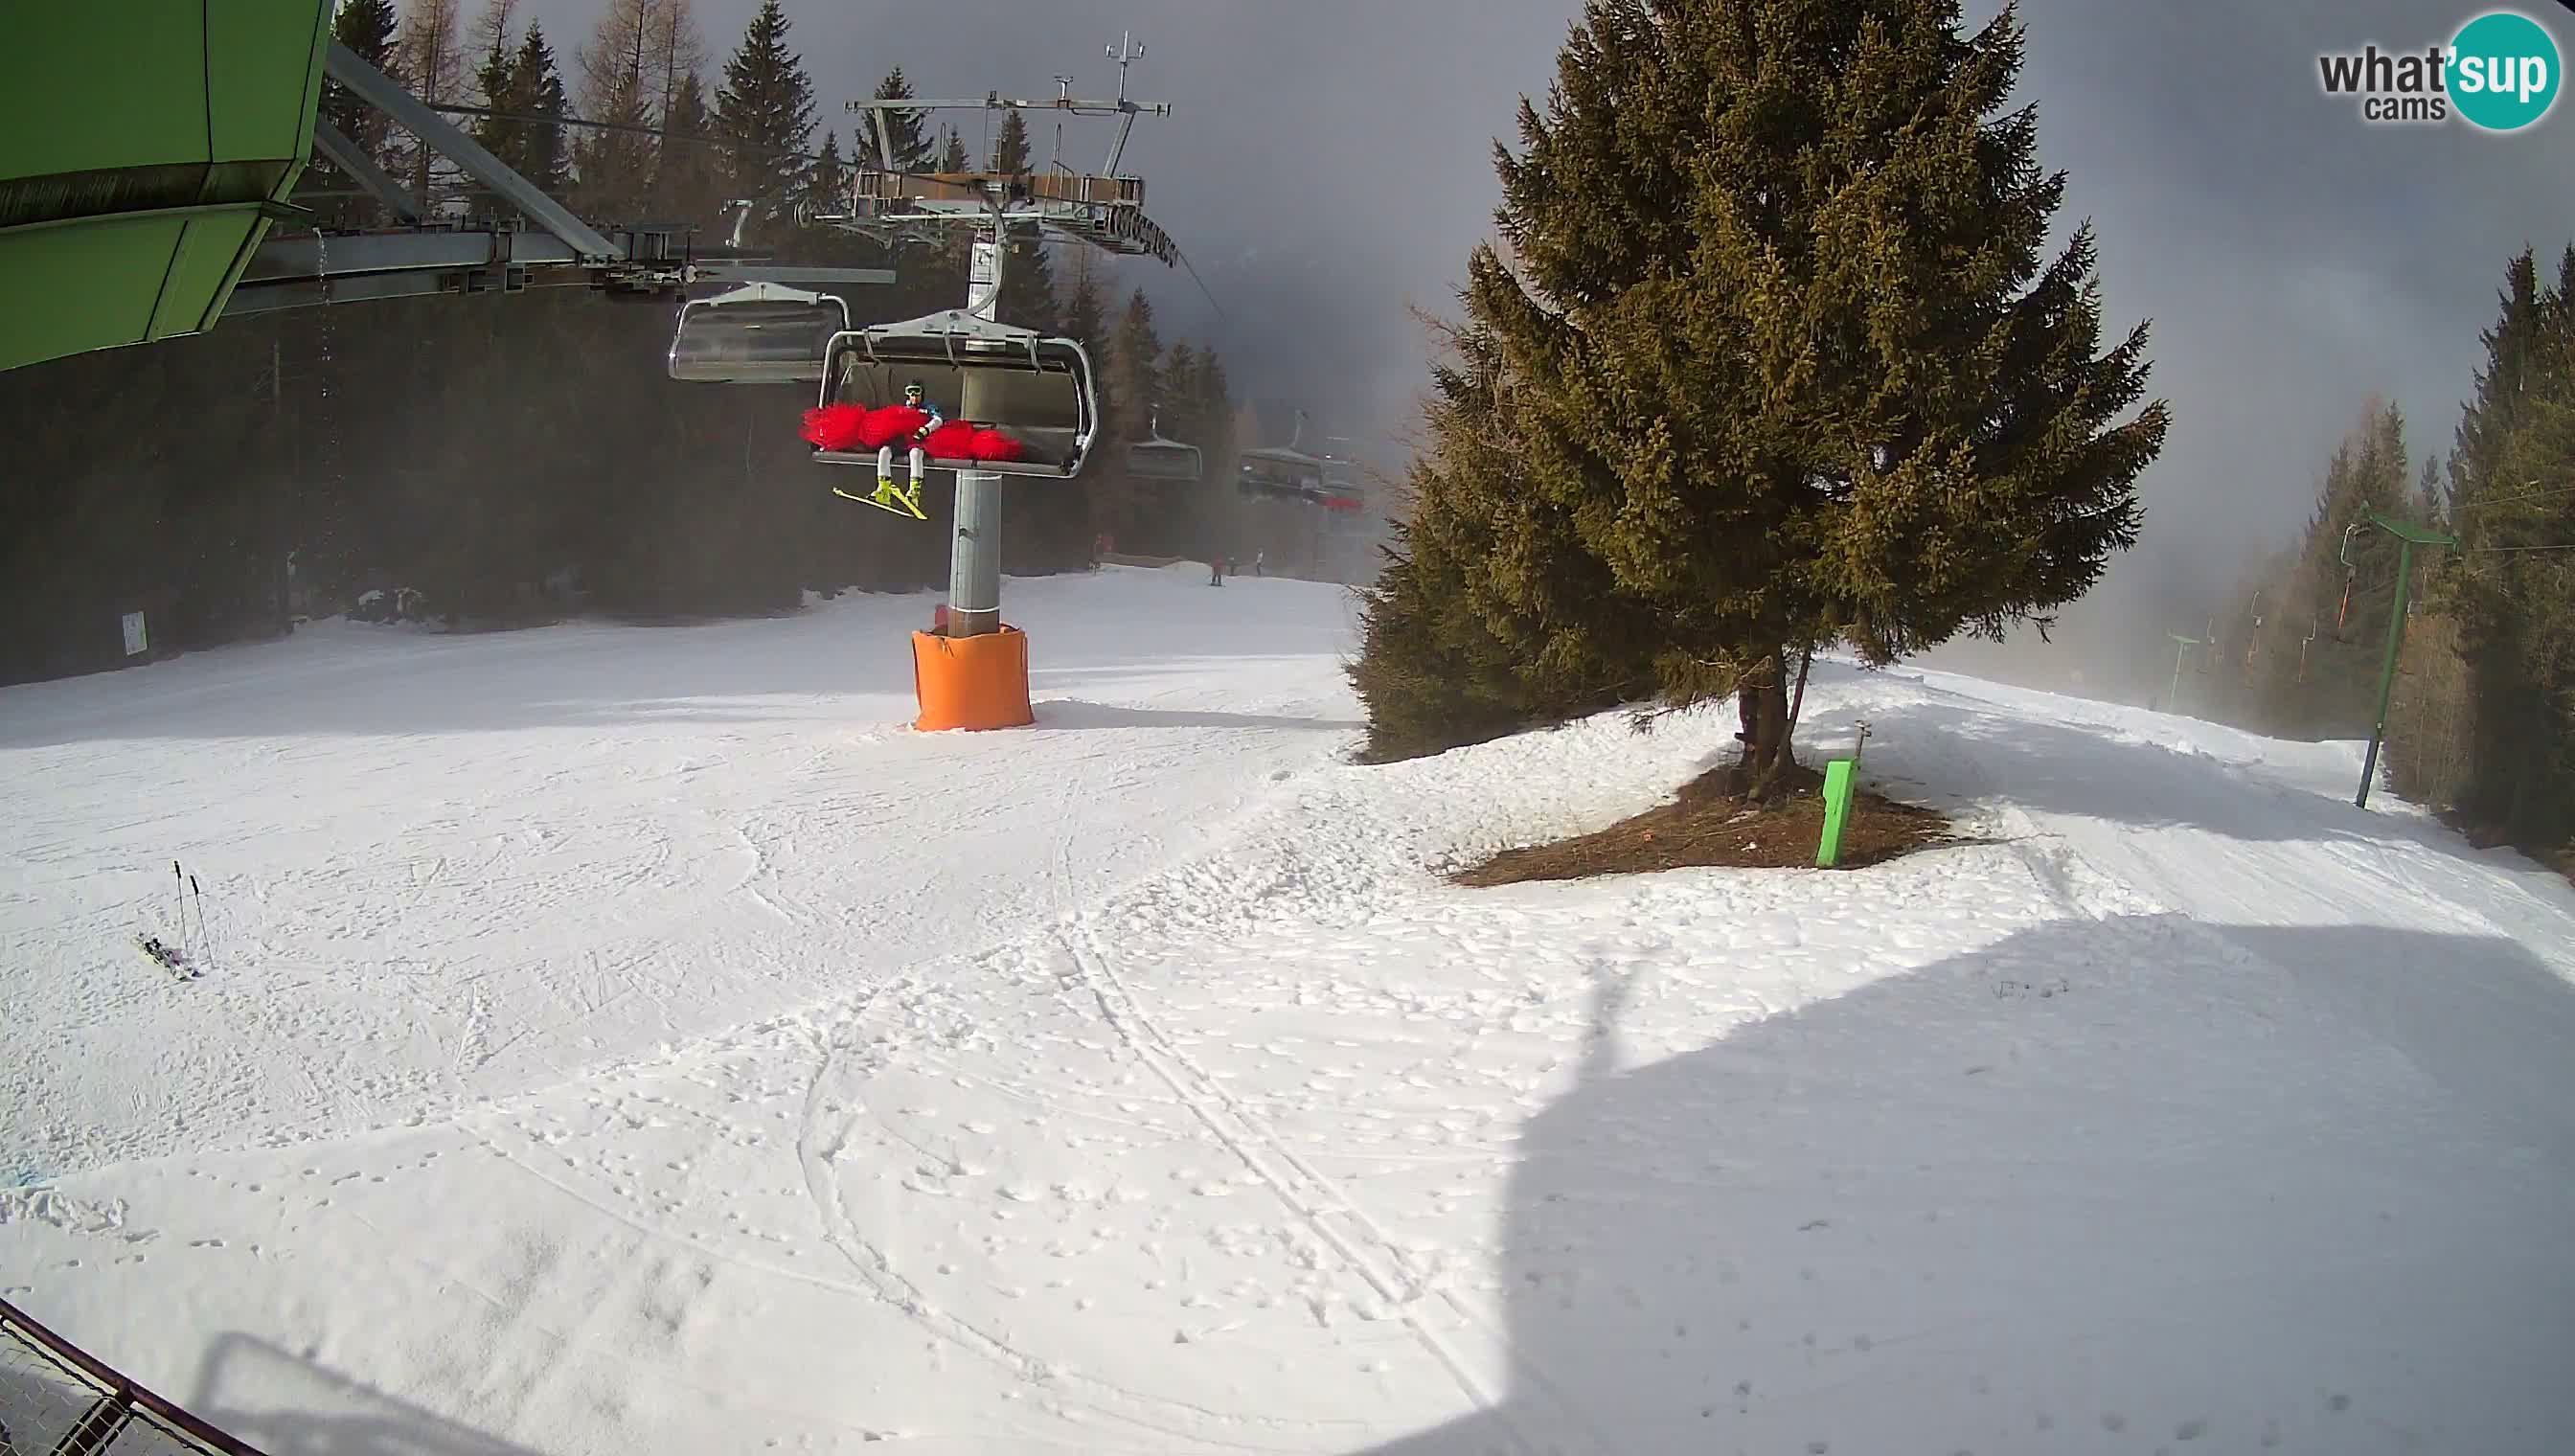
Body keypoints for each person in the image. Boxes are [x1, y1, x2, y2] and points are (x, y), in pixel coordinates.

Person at [876, 380, 945, 510]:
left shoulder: (928, 408)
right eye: (910, 392)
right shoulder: (904, 408)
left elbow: (938, 420)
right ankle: (883, 489)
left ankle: (914, 492)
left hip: (918, 440)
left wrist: (925, 430)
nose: (913, 396)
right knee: (884, 451)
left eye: (916, 392)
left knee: (915, 454)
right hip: (902, 440)